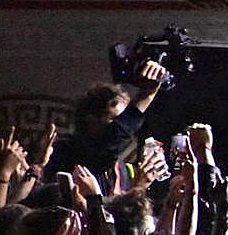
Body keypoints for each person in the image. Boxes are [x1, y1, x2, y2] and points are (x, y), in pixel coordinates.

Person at [45, 59, 169, 192]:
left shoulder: (120, 169)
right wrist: (147, 95)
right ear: (91, 121)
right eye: (117, 121)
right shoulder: (69, 153)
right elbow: (113, 138)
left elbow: (116, 205)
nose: (124, 129)